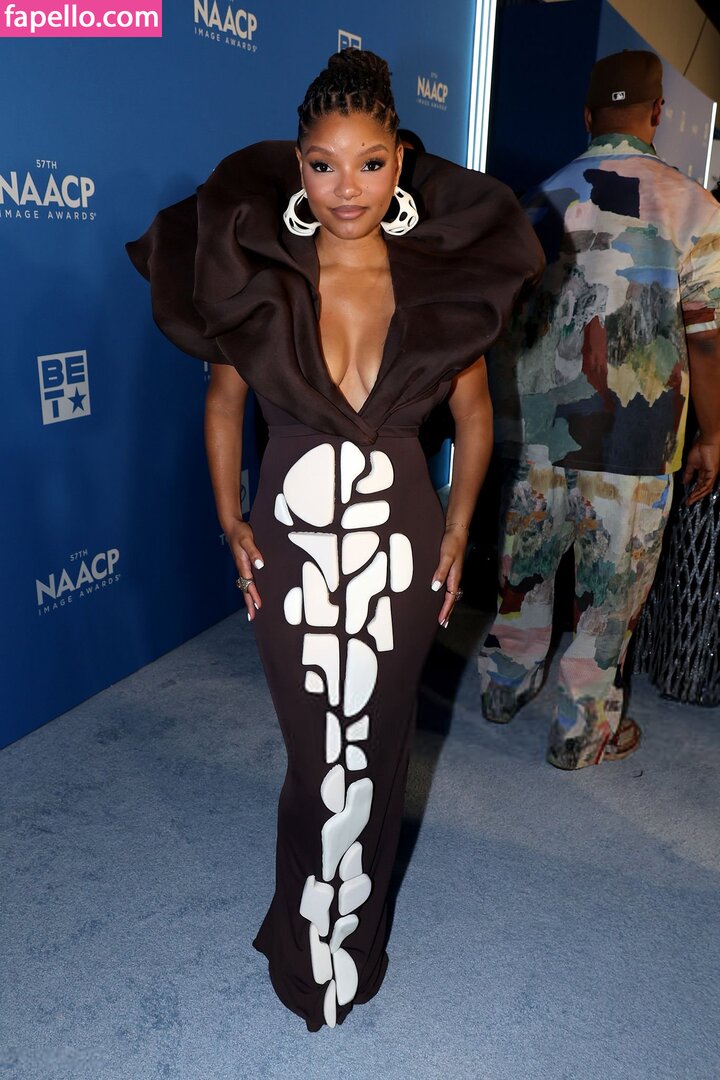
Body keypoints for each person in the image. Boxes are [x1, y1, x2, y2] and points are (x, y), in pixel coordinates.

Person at [127, 50, 543, 1029]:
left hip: (403, 535)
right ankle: (302, 943)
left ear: (401, 162)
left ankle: (353, 942)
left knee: (380, 743)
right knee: (318, 755)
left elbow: (475, 414)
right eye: (322, 164)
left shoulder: (442, 278)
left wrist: (460, 524)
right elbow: (224, 401)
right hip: (292, 538)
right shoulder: (260, 271)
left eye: (369, 164)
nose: (345, 188)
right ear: (297, 166)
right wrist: (229, 514)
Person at [478, 49, 720, 771]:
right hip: (634, 444)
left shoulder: (535, 199)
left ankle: (502, 689)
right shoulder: (696, 208)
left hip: (536, 433)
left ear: (587, 116)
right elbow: (707, 341)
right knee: (610, 594)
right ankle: (580, 735)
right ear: (657, 114)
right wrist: (713, 433)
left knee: (523, 573)